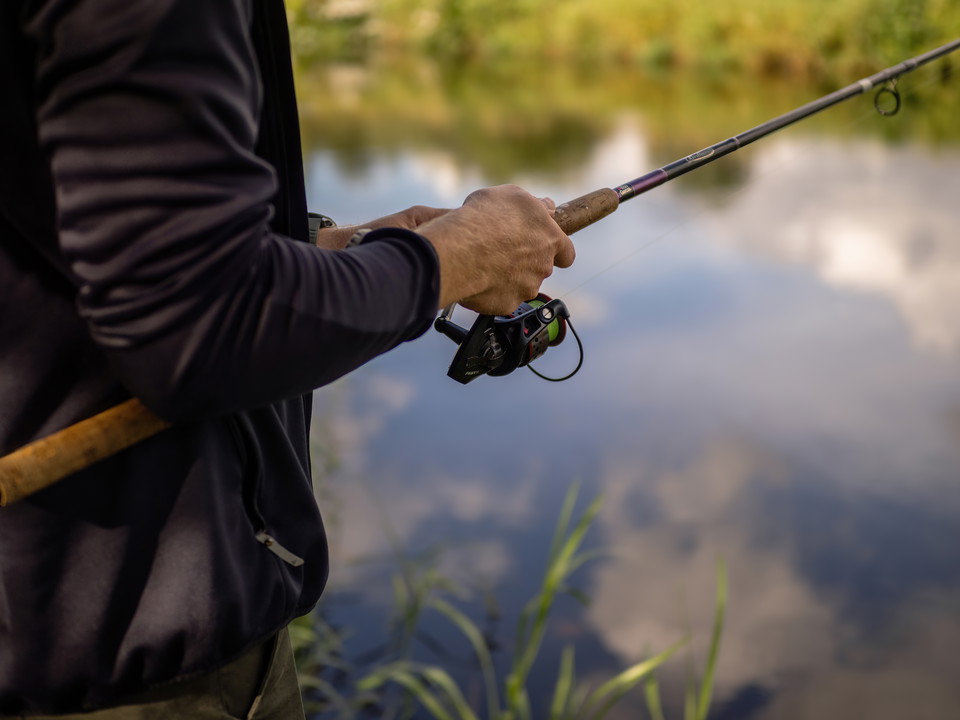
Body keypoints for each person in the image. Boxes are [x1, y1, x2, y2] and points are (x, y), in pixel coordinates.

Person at [0, 0, 575, 717]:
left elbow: (78, 233)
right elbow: (198, 327)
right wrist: (451, 262)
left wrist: (331, 254)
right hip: (128, 675)